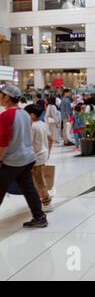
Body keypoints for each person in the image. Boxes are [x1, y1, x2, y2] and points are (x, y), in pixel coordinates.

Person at [0, 84, 48, 228]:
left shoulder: (6, 116)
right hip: (27, 159)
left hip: (12, 161)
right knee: (29, 189)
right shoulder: (25, 114)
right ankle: (40, 217)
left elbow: (3, 142)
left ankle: (39, 217)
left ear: (7, 97)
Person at [24, 104, 54, 212]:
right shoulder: (43, 124)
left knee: (39, 181)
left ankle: (46, 203)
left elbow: (28, 143)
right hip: (43, 155)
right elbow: (51, 139)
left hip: (35, 157)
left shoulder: (32, 126)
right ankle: (43, 199)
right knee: (39, 179)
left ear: (32, 115)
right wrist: (48, 153)